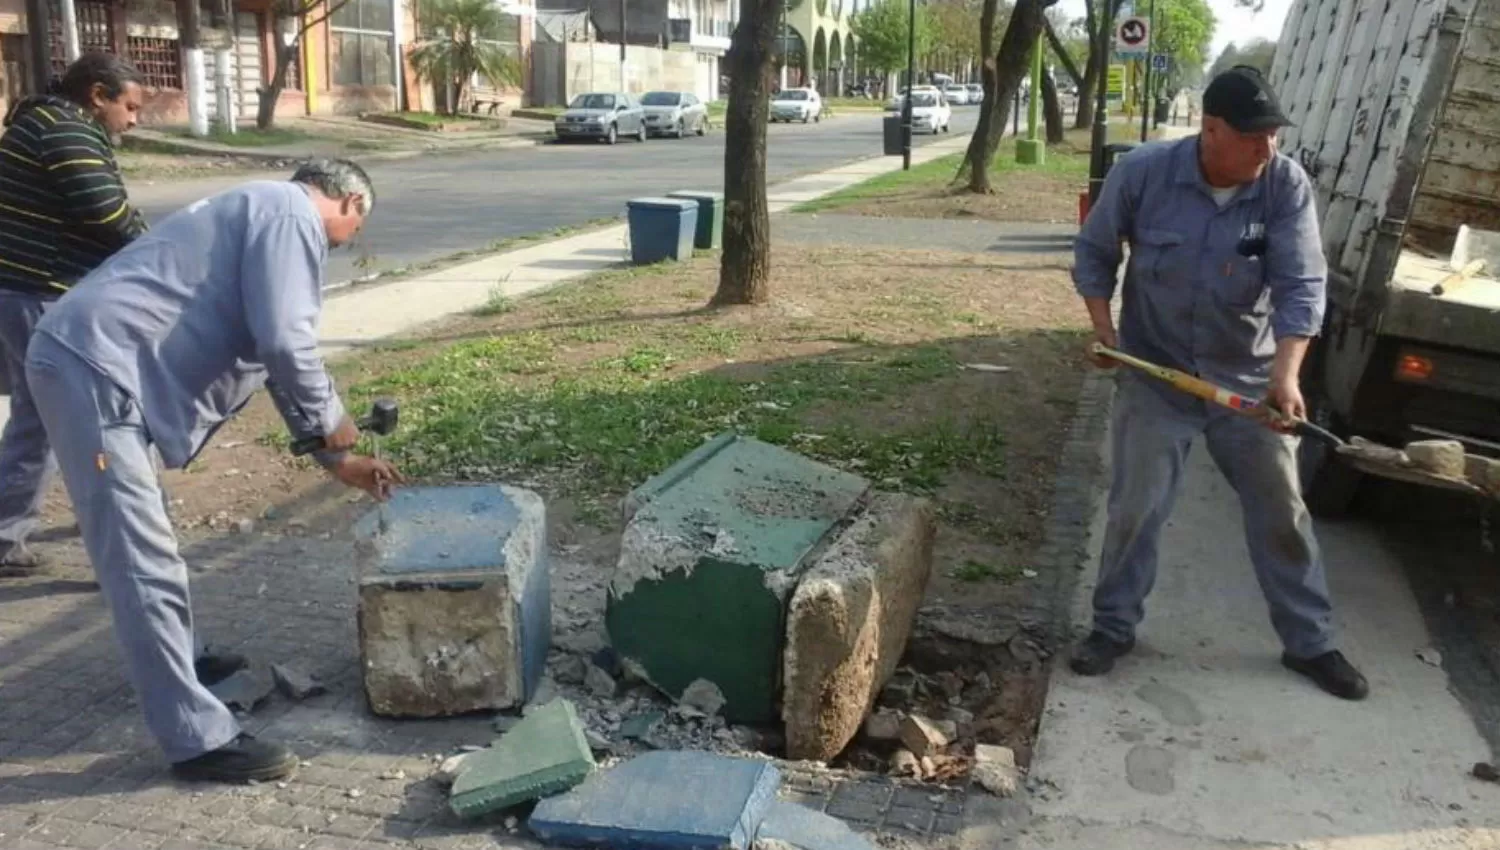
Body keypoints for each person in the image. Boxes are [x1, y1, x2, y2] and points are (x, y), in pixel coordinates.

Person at [24, 158, 403, 782]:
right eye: (354, 229)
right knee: (141, 559)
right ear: (349, 202)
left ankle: (182, 662)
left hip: (100, 370)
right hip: (96, 372)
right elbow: (287, 341)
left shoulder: (261, 213)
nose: (347, 242)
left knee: (150, 545)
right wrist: (333, 419)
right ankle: (197, 739)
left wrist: (338, 458)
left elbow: (266, 350)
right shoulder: (290, 214)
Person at [1069, 66, 1368, 701]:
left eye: (1274, 137)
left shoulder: (1283, 185)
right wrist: (1104, 332)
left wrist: (1285, 377)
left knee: (1282, 508)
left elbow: (1300, 285)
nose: (1268, 149)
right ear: (1211, 130)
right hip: (1159, 374)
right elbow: (1095, 252)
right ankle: (1112, 628)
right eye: (1254, 137)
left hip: (1248, 383)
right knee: (1135, 508)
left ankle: (1310, 642)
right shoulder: (1144, 174)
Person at [0, 52, 147, 573]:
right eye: (128, 107)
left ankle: (8, 533)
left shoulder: (46, 121)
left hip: (27, 289)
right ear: (98, 95)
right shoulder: (63, 130)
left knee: (36, 414)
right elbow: (109, 215)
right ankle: (123, 543)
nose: (133, 119)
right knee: (87, 417)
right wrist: (160, 254)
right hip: (43, 291)